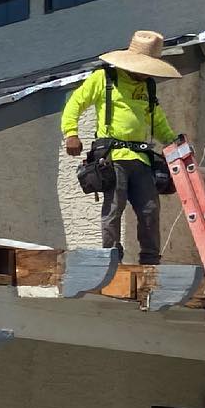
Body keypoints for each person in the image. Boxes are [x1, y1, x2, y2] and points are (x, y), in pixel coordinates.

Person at [60, 29, 180, 265]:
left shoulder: (148, 87)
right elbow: (74, 104)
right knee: (114, 207)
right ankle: (109, 257)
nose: (145, 74)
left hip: (142, 159)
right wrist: (71, 133)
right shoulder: (105, 78)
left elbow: (158, 121)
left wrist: (174, 143)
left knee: (150, 210)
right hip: (113, 157)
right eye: (142, 68)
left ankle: (150, 261)